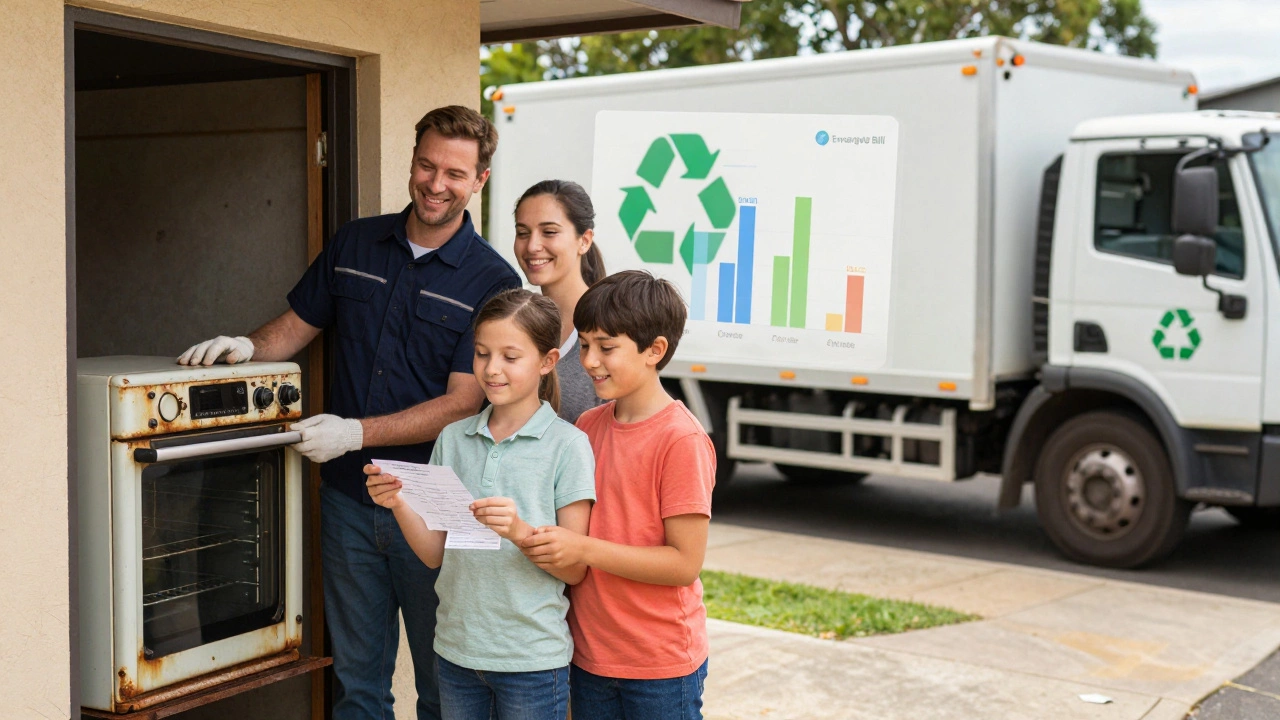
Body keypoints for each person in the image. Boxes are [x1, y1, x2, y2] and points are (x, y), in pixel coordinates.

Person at [176, 105, 522, 720]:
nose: (436, 183)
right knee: (358, 689)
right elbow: (295, 328)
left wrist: (356, 432)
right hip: (348, 501)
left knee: (446, 690)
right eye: (426, 164)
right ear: (412, 160)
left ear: (480, 180)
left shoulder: (492, 279)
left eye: (454, 172)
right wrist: (248, 349)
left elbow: (464, 401)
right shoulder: (356, 242)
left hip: (433, 502)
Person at [365, 288, 595, 720]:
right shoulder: (453, 439)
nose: (492, 369)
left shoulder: (569, 445)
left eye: (510, 357)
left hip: (532, 659)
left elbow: (575, 568)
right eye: (482, 353)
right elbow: (434, 554)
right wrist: (398, 502)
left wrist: (519, 531)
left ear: (547, 362)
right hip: (456, 651)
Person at [518, 271, 717, 719]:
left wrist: (582, 548)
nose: (589, 361)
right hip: (589, 655)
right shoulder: (587, 426)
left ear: (655, 350)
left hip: (660, 665)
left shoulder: (680, 440)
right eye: (585, 344)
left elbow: (684, 563)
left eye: (606, 347)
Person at [512, 179, 606, 423]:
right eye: (522, 233)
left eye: (549, 232)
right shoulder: (518, 321)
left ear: (584, 240)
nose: (532, 246)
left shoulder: (611, 328)